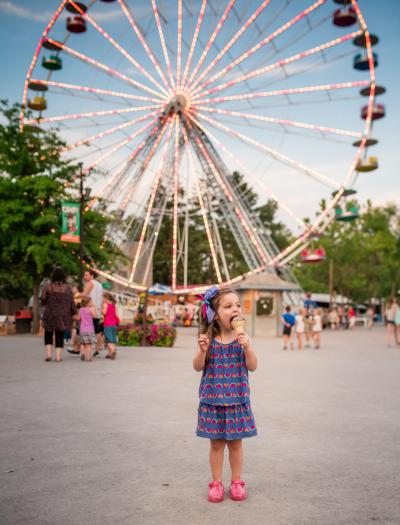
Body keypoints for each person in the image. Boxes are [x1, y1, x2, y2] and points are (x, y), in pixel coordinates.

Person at [193, 286, 257, 503]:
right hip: (213, 401)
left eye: (237, 305)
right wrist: (202, 351)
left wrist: (248, 347)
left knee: (236, 444)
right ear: (215, 313)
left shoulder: (243, 339)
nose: (235, 309)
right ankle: (216, 483)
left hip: (237, 400)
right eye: (228, 306)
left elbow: (253, 366)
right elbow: (197, 367)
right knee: (216, 445)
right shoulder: (208, 339)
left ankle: (237, 482)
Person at [41, 267, 76, 362]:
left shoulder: (47, 286)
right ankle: (58, 357)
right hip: (63, 315)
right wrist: (74, 313)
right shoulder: (67, 288)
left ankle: (48, 355)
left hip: (50, 313)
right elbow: (72, 302)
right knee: (59, 334)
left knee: (48, 333)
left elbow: (43, 300)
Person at [83, 270, 104, 355]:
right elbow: (102, 298)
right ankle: (97, 349)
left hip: (89, 309)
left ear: (92, 276)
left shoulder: (89, 283)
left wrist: (76, 294)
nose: (85, 277)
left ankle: (87, 350)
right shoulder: (100, 285)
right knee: (97, 331)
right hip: (97, 310)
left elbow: (84, 295)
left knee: (87, 330)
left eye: (86, 275)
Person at [78, 296, 97, 362]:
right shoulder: (91, 309)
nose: (92, 302)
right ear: (88, 303)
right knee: (89, 345)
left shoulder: (81, 309)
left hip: (82, 329)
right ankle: (88, 358)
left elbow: (79, 318)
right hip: (89, 329)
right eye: (91, 301)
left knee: (83, 343)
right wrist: (94, 308)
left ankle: (83, 354)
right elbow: (95, 316)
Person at [102, 293, 119, 360]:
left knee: (108, 339)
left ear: (106, 298)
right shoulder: (113, 305)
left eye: (103, 298)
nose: (102, 299)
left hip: (107, 324)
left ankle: (113, 351)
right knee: (112, 338)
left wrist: (100, 310)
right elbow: (115, 314)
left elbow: (105, 313)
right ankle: (109, 354)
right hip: (114, 323)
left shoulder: (105, 304)